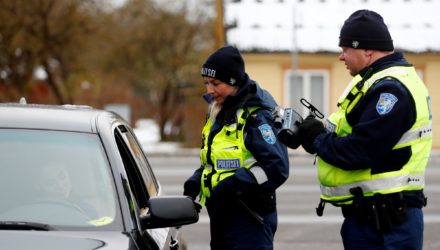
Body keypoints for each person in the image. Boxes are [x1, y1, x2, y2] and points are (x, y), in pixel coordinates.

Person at [295, 10, 432, 250]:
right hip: (372, 215)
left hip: (388, 224)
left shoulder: (390, 90)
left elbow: (360, 150)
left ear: (367, 50)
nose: (341, 56)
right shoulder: (372, 82)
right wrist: (311, 133)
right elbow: (346, 133)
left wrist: (318, 139)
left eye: (346, 49)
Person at [183, 46, 289, 250]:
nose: (209, 91)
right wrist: (197, 180)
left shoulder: (257, 116)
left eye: (215, 83)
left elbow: (277, 168)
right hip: (222, 215)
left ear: (234, 82)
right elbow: (216, 160)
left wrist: (235, 185)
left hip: (250, 219)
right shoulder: (220, 110)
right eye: (206, 84)